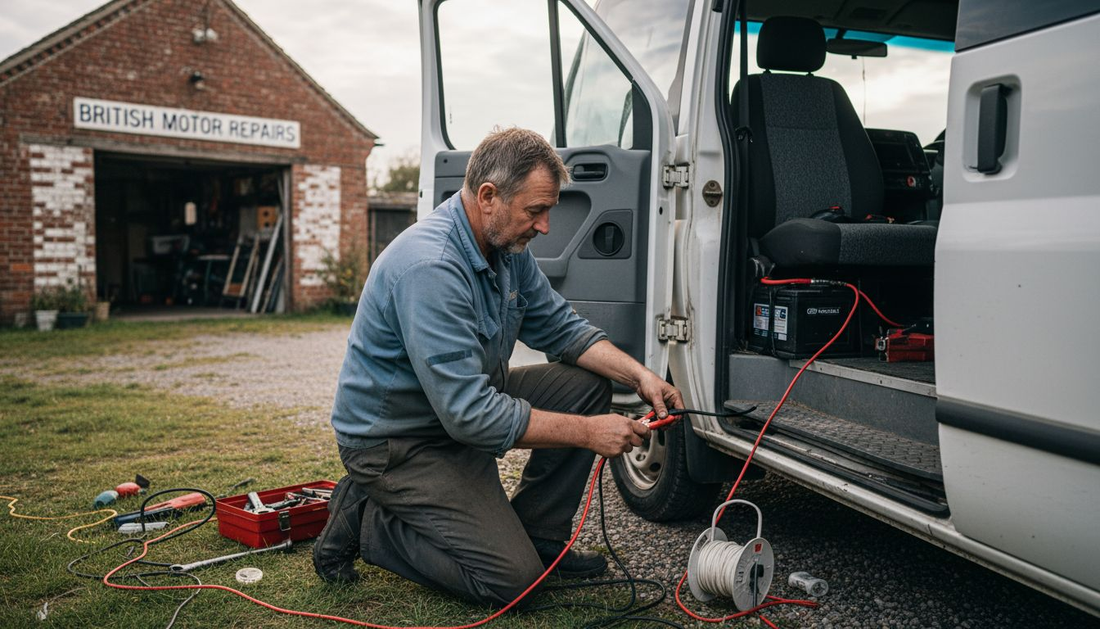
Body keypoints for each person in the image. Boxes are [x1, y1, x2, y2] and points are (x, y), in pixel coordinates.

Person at [314, 128, 683, 606]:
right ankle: (368, 521)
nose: (545, 225)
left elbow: (562, 329)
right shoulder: (432, 268)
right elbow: (471, 415)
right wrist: (589, 434)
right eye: (535, 210)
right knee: (513, 585)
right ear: (488, 196)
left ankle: (541, 540)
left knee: (587, 386)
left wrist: (641, 375)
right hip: (400, 442)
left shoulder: (505, 249)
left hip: (454, 414)